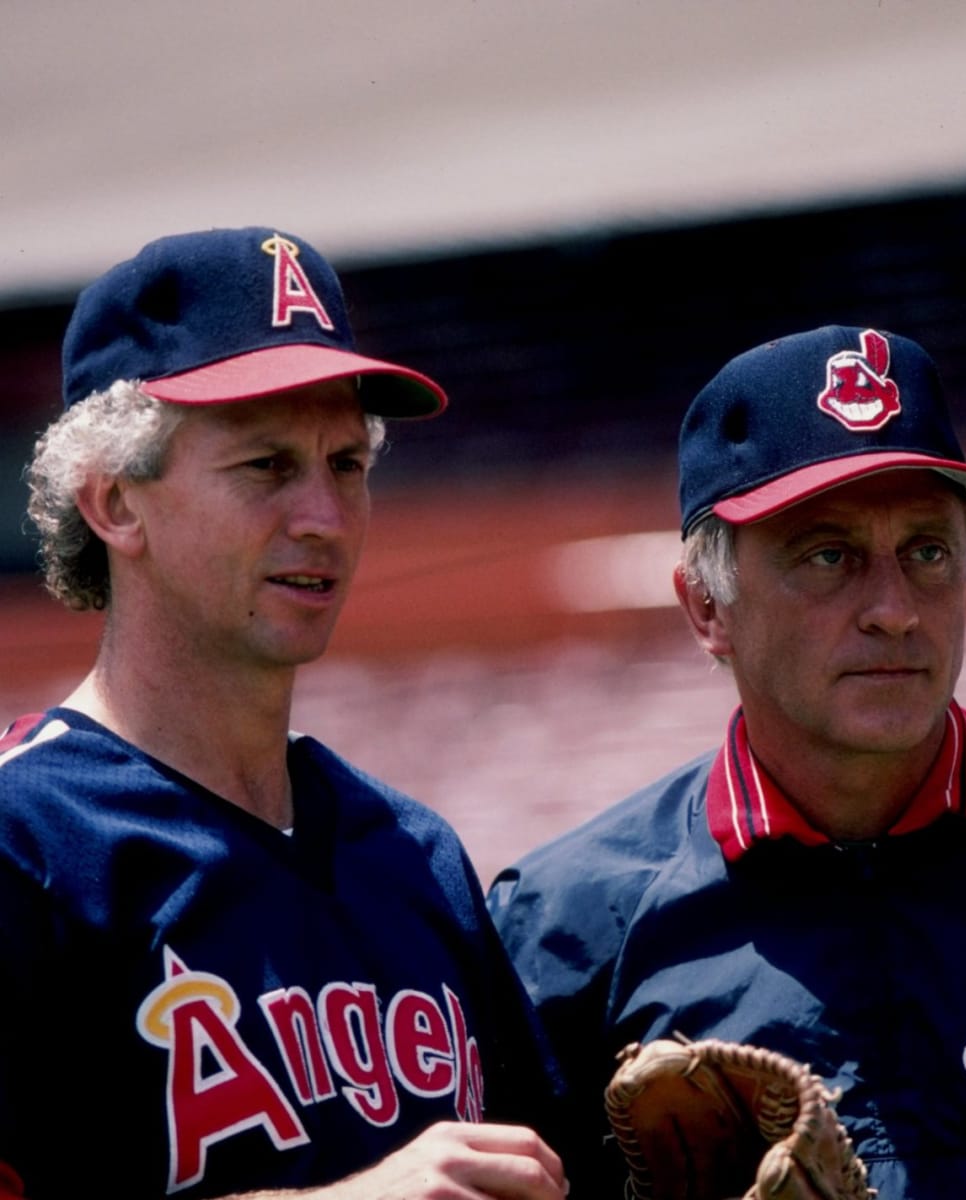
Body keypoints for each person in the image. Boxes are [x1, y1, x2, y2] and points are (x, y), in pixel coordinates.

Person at [488, 325, 966, 1198]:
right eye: (830, 557)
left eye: (927, 552)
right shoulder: (565, 929)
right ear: (707, 606)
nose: (895, 610)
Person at [0, 227, 566, 1200]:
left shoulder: (411, 852)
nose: (325, 516)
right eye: (266, 466)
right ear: (114, 503)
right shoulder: (29, 848)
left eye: (346, 464)